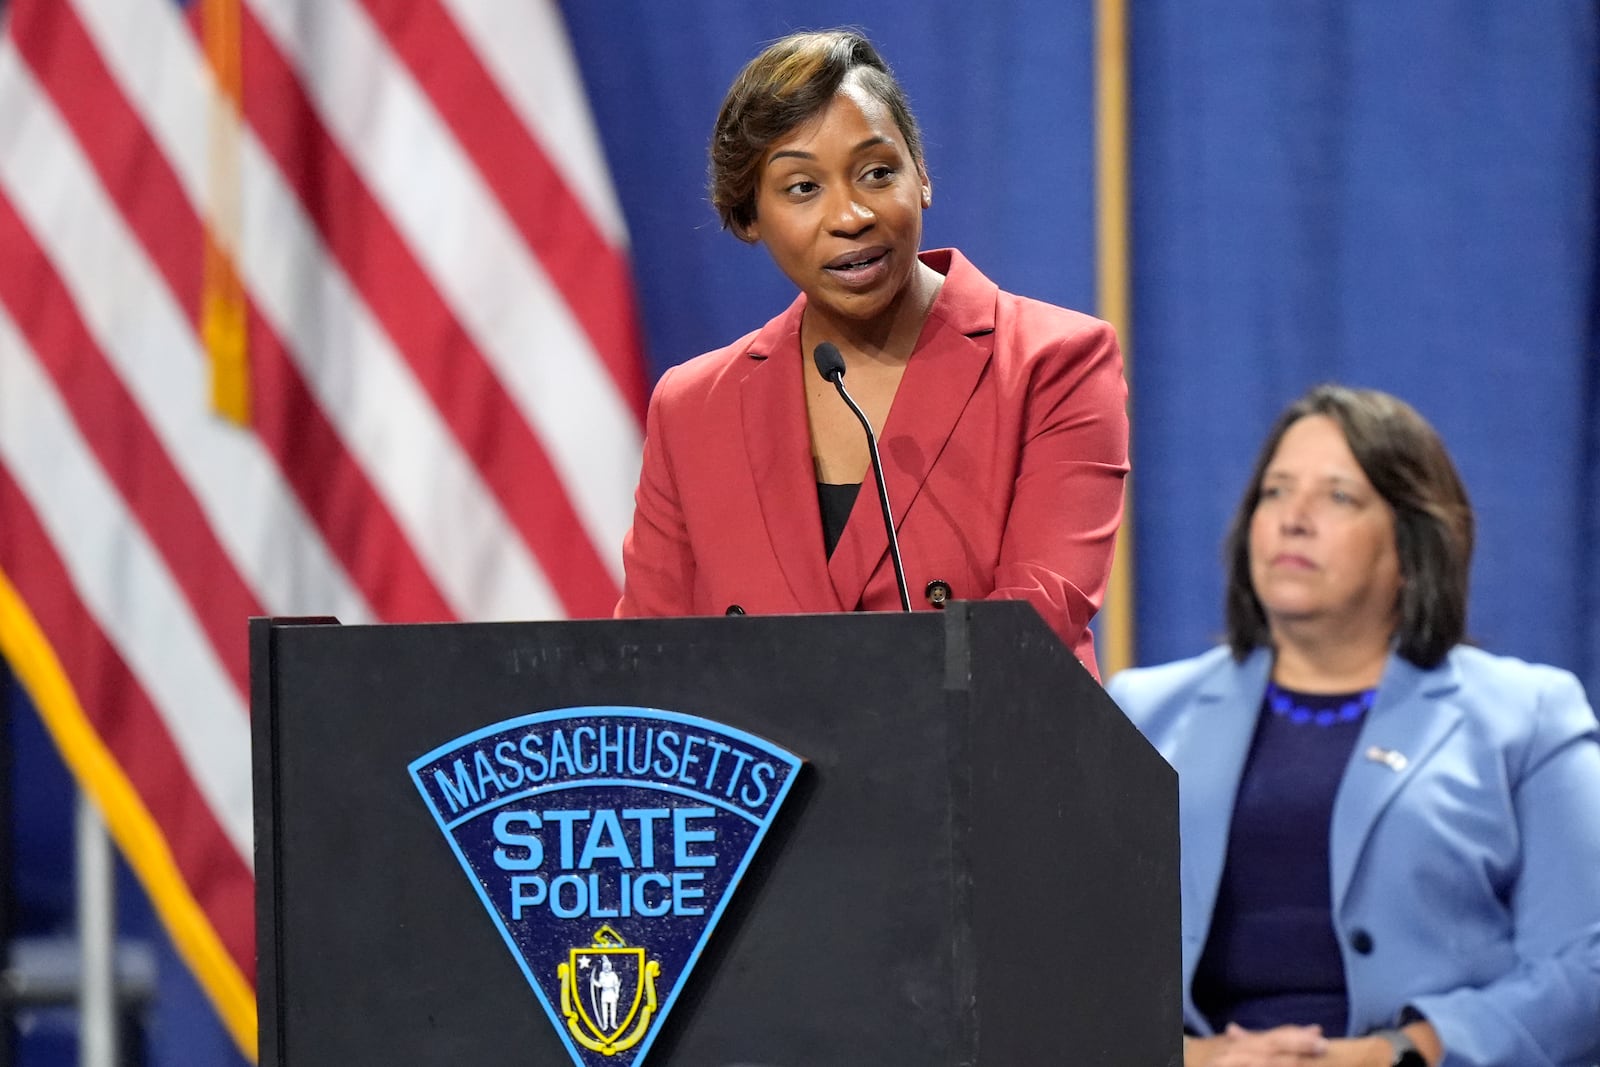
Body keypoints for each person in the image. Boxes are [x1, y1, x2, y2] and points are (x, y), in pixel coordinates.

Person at [1107, 385, 1600, 1066]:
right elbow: (1061, 957)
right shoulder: (1141, 711)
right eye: (1275, 492)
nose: (1293, 519)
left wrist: (1393, 1052)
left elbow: (1586, 964)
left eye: (1338, 496)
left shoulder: (1529, 716)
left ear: (1412, 546)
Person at [614, 29, 1128, 676]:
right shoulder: (693, 407)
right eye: (803, 188)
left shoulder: (1053, 363)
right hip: (767, 778)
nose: (852, 214)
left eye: (877, 172)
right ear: (747, 217)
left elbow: (1036, 622)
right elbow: (649, 664)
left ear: (923, 178)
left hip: (986, 765)